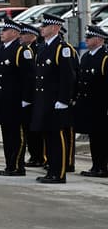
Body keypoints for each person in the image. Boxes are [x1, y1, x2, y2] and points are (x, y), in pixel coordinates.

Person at [30, 14, 77, 184]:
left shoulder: (61, 48)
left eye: (46, 26)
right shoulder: (43, 48)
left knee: (57, 138)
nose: (42, 28)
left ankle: (59, 172)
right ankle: (51, 170)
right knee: (48, 137)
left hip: (56, 101)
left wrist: (64, 100)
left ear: (56, 28)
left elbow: (68, 77)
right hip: (44, 101)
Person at [0, 18, 34, 176]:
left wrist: (26, 99)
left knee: (17, 135)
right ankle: (9, 164)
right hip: (3, 100)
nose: (2, 33)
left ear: (15, 33)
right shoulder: (1, 49)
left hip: (16, 101)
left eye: (5, 30)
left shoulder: (22, 51)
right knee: (7, 135)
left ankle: (17, 166)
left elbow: (28, 78)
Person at [75, 25, 108, 178]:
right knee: (94, 137)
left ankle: (103, 166)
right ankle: (96, 165)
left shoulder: (105, 58)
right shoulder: (87, 57)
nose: (86, 40)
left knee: (102, 137)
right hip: (89, 105)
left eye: (89, 37)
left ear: (99, 40)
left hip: (101, 106)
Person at [19, 23, 46, 169]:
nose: (21, 37)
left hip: (37, 95)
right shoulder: (24, 50)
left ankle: (41, 156)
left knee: (37, 129)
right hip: (29, 95)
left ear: (32, 36)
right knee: (29, 128)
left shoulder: (38, 49)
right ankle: (34, 155)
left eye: (24, 34)